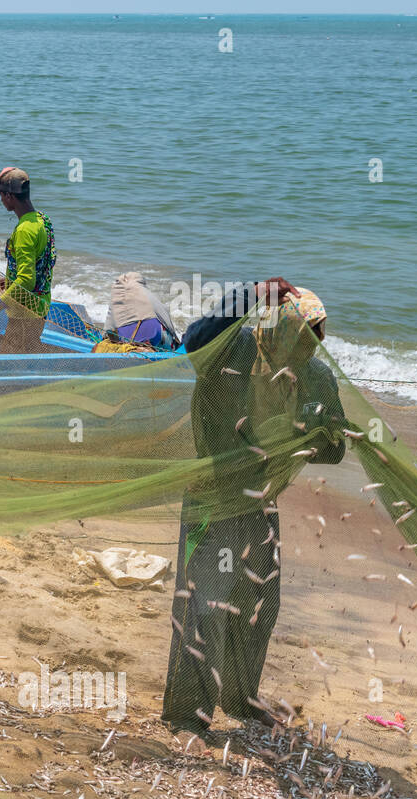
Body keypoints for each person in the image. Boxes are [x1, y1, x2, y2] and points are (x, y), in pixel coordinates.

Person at [163, 282, 344, 752]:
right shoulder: (236, 349)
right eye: (305, 333)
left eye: (318, 336)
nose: (311, 345)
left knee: (259, 602)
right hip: (213, 497)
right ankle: (188, 717)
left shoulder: (313, 376)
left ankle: (239, 699)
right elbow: (196, 338)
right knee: (205, 604)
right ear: (282, 323)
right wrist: (251, 293)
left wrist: (308, 431)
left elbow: (333, 449)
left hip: (261, 500)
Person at [0, 166, 54, 353]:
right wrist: (1, 283)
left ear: (9, 197)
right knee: (26, 354)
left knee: (8, 362)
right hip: (39, 308)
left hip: (24, 316)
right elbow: (36, 269)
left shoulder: (24, 231)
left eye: (0, 195)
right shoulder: (42, 221)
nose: (1, 200)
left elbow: (26, 280)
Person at [105, 271, 180, 350]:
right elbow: (164, 316)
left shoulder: (116, 293)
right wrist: (175, 338)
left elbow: (109, 325)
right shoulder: (145, 292)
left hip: (126, 339)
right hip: (153, 335)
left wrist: (104, 338)